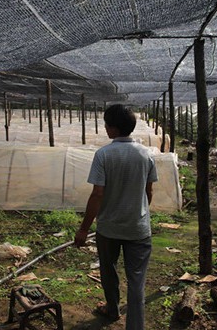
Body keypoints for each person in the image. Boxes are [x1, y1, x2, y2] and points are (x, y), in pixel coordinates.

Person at [74, 104, 158, 330]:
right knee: (137, 281)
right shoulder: (146, 154)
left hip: (109, 229)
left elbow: (98, 194)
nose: (105, 128)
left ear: (113, 128)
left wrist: (83, 229)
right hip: (138, 229)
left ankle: (112, 308)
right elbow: (148, 192)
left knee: (108, 270)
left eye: (106, 125)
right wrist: (139, 213)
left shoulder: (103, 155)